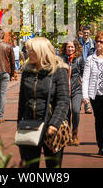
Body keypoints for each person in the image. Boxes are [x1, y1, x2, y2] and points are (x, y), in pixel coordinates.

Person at [17, 37, 70, 168]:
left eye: (31, 50)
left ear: (41, 51)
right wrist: (19, 123)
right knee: (29, 166)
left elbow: (63, 101)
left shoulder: (59, 70)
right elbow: (22, 100)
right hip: (29, 124)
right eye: (27, 50)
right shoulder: (27, 71)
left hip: (51, 127)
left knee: (53, 166)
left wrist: (54, 124)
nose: (27, 53)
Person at [60, 39, 84, 146]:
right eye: (68, 47)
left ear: (76, 48)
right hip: (63, 90)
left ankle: (75, 133)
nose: (70, 49)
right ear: (65, 48)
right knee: (66, 113)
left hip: (76, 90)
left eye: (72, 47)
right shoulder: (60, 59)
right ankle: (67, 135)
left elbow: (84, 75)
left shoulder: (79, 59)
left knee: (75, 110)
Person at [78, 26, 95, 114]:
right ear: (82, 33)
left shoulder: (93, 43)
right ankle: (78, 104)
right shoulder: (77, 42)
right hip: (79, 67)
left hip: (89, 67)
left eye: (87, 32)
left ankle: (87, 106)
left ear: (90, 33)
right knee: (79, 86)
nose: (86, 34)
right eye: (84, 32)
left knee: (87, 87)